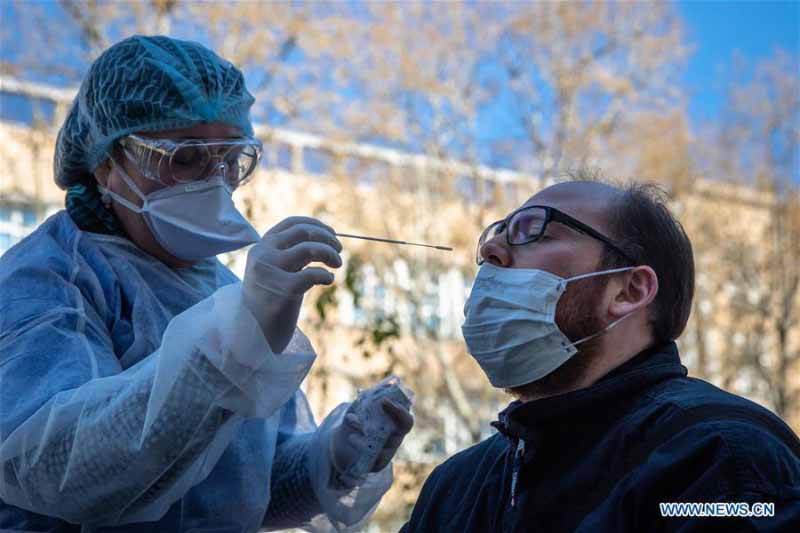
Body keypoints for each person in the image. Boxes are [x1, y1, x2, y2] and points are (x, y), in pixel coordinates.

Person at [0, 35, 413, 533]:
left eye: (231, 160)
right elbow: (61, 472)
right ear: (107, 165)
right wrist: (232, 342)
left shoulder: (223, 291)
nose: (213, 182)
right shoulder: (49, 279)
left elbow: (247, 492)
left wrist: (338, 456)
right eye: (186, 157)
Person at [402, 179, 800, 532]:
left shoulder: (715, 454)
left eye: (533, 230)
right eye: (497, 232)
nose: (491, 249)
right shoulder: (454, 487)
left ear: (628, 291)